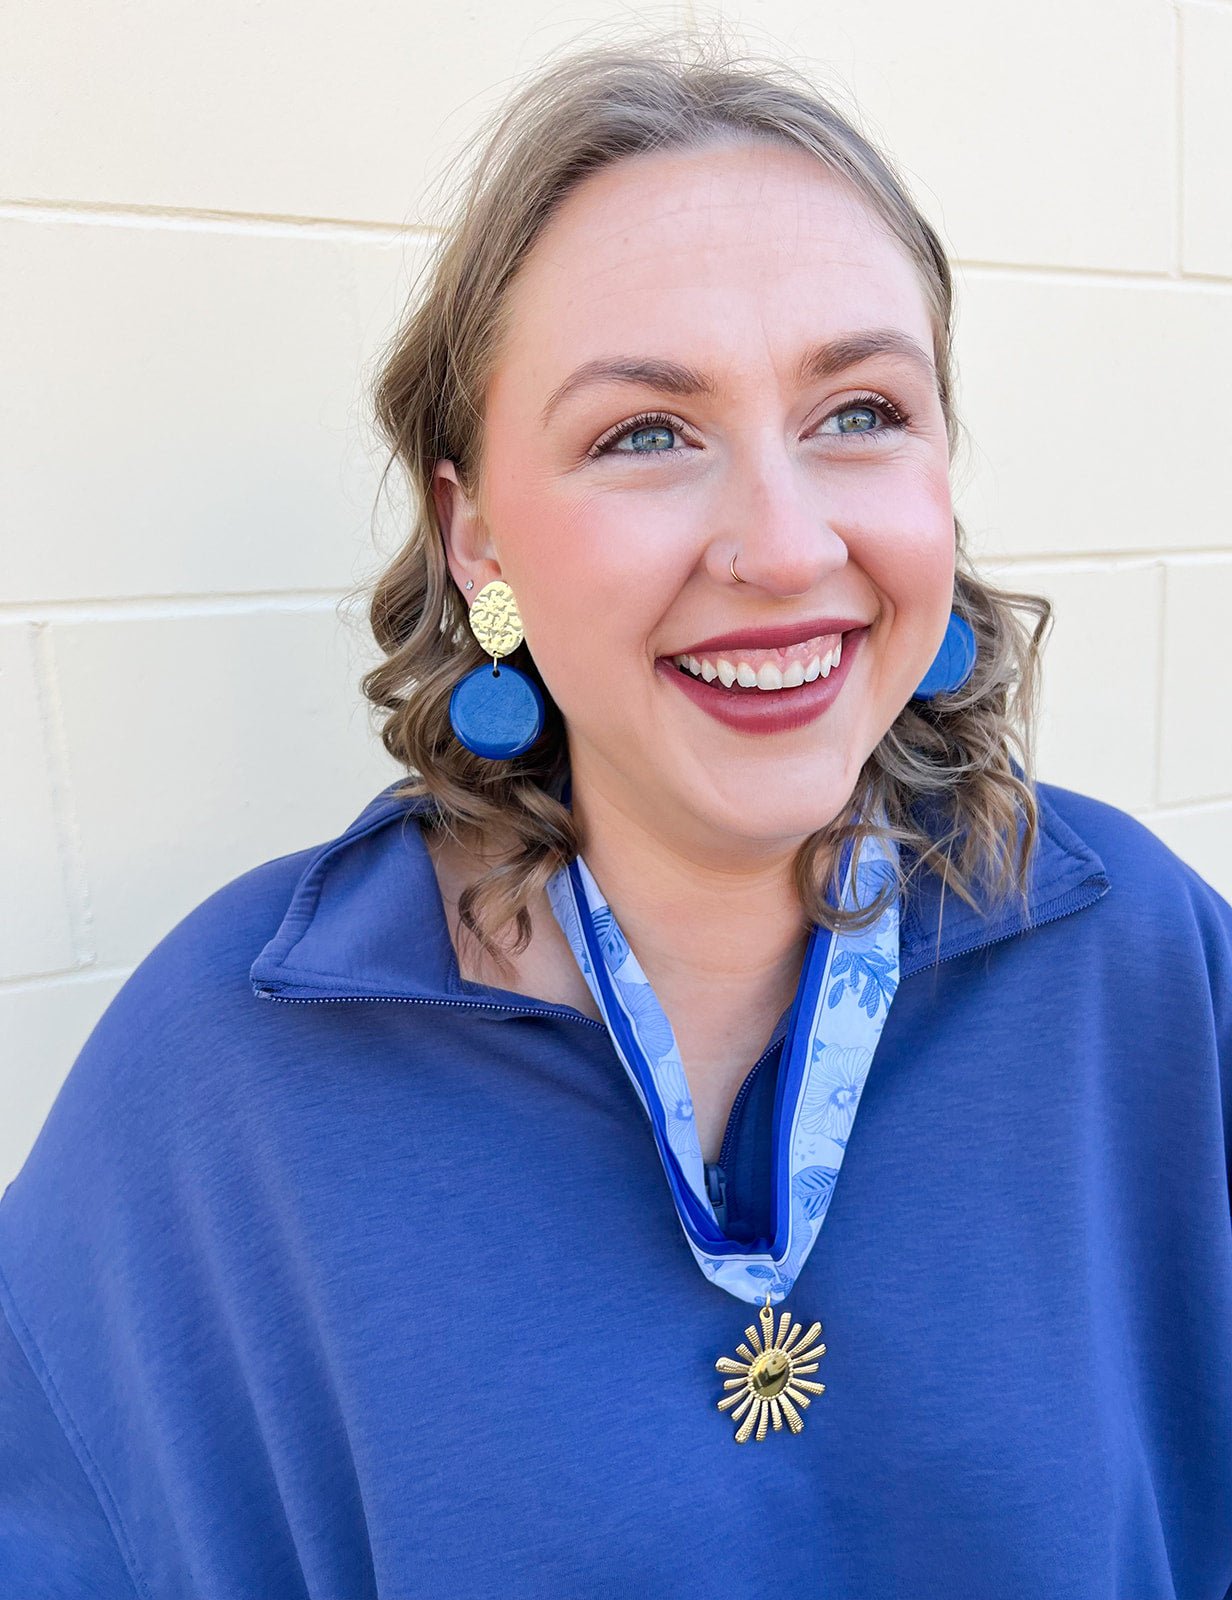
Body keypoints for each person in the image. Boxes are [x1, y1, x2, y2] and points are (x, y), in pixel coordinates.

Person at [2, 31, 1230, 1600]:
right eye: (645, 433)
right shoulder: (231, 1072)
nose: (785, 547)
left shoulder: (1143, 960)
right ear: (474, 537)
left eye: (859, 411)